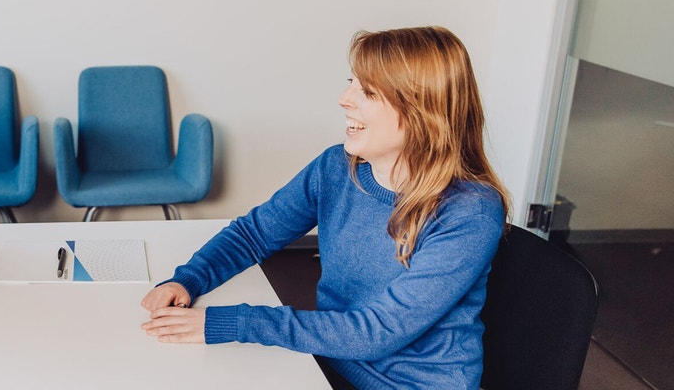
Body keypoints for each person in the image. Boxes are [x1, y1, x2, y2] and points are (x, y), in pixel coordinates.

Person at [140, 26, 510, 389]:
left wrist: (234, 323)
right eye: (351, 82)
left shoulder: (469, 212)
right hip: (330, 360)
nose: (344, 99)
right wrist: (188, 279)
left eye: (366, 91)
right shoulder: (335, 168)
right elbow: (253, 235)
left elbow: (377, 332)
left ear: (421, 111)